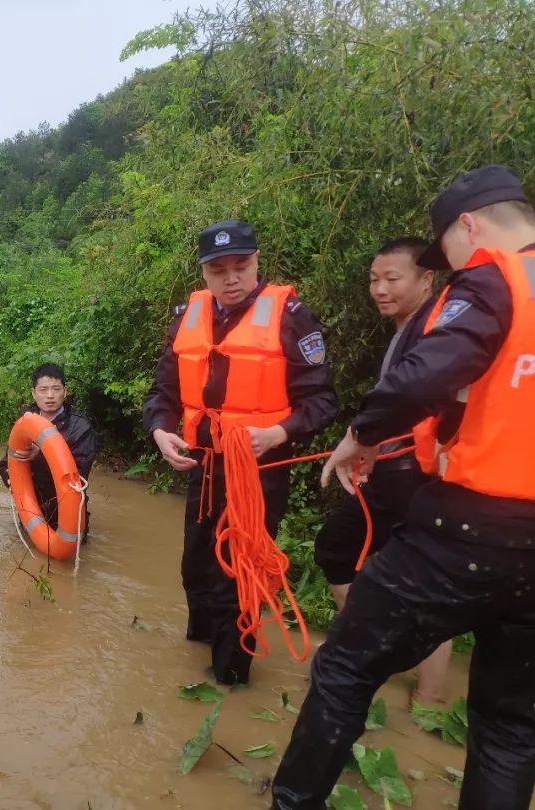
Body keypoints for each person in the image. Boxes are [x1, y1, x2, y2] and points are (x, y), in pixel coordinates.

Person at [272, 165, 535, 810]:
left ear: (468, 226)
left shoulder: (498, 278)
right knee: (511, 725)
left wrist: (361, 434)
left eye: (448, 253)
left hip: (469, 526)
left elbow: (425, 380)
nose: (453, 267)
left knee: (343, 668)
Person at [143, 220, 337, 685]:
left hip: (259, 473)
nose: (231, 278)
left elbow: (322, 401)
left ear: (257, 263)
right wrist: (160, 431)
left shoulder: (291, 316)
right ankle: (197, 664)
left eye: (241, 266)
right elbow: (163, 394)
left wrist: (278, 432)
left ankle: (229, 681)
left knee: (240, 579)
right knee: (197, 567)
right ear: (204, 274)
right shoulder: (188, 315)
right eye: (218, 269)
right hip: (204, 466)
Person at [312, 237, 452, 704]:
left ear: (426, 279)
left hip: (424, 477)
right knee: (337, 547)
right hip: (391, 469)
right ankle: (370, 648)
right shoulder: (405, 330)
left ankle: (430, 699)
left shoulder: (439, 329)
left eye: (392, 278)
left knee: (423, 584)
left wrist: (364, 441)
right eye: (374, 279)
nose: (379, 288)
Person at [0, 363, 97, 533]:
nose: (50, 396)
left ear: (65, 392)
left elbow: (78, 477)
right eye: (43, 390)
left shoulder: (80, 427)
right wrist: (12, 480)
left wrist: (41, 454)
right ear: (34, 393)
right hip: (32, 511)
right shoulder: (25, 424)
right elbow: (5, 464)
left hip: (66, 514)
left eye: (56, 389)